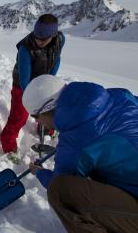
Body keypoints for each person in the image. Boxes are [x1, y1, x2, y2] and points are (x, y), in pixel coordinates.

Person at [23, 74, 138, 233]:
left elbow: (60, 180)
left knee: (61, 191)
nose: (37, 121)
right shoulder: (120, 94)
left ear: (47, 109)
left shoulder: (74, 144)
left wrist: (40, 173)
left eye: (35, 116)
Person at [0, 14, 65, 161]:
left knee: (49, 110)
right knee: (19, 118)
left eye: (43, 39)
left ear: (53, 36)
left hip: (43, 82)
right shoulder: (25, 49)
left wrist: (49, 81)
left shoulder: (60, 40)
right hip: (23, 87)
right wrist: (33, 104)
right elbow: (25, 81)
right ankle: (8, 145)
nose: (39, 41)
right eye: (36, 37)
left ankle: (45, 128)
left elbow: (57, 58)